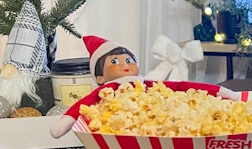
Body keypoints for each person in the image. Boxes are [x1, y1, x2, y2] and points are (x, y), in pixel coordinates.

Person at [49, 35, 237, 138]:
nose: (126, 64)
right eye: (114, 61)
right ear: (100, 77)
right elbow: (81, 106)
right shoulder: (107, 92)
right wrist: (61, 126)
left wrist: (218, 91)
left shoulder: (148, 85)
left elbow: (180, 86)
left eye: (129, 59)